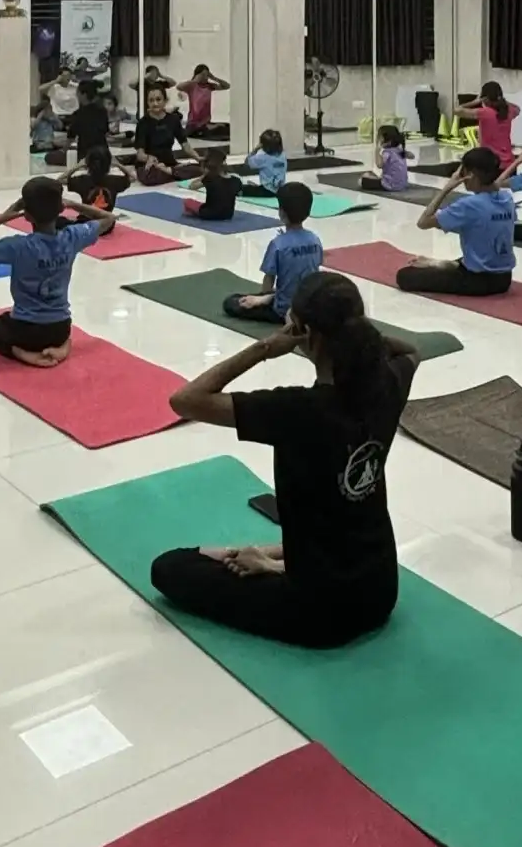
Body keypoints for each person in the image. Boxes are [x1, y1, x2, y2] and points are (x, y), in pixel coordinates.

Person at [157, 271, 417, 647]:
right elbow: (412, 351)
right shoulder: (389, 384)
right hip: (380, 590)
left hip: (319, 613)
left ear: (304, 333)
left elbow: (186, 400)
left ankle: (260, 559)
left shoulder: (296, 410)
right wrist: (358, 331)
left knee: (170, 567)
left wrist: (264, 348)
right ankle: (270, 558)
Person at [0, 177, 118, 367]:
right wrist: (72, 204)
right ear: (60, 209)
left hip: (26, 332)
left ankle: (21, 353)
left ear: (27, 216)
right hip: (60, 328)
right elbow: (109, 218)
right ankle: (63, 346)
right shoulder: (72, 237)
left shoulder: (19, 247)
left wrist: (2, 217)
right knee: (51, 330)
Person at [398, 147, 514, 297]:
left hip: (478, 280)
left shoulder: (469, 205)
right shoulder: (507, 199)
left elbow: (423, 222)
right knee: (476, 253)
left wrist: (448, 187)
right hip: (505, 277)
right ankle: (437, 263)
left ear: (470, 175)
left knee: (404, 276)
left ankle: (438, 265)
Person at [225, 184, 322, 323]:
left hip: (282, 309)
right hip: (307, 305)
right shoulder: (315, 240)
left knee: (231, 302)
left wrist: (262, 299)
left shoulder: (278, 244)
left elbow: (269, 279)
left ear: (281, 213)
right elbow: (312, 271)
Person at [133, 87, 198, 187]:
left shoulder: (173, 119)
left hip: (169, 164)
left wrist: (199, 159)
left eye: (158, 99)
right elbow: (140, 155)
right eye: (151, 100)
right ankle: (172, 173)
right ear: (147, 102)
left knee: (198, 169)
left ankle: (169, 172)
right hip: (151, 167)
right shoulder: (143, 123)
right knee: (150, 177)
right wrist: (149, 158)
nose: (155, 103)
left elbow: (186, 147)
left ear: (165, 101)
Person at [456, 81, 517, 168]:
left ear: (485, 98)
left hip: (491, 164)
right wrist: (502, 101)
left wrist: (476, 101)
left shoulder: (485, 113)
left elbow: (457, 110)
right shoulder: (509, 111)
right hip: (509, 164)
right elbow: (517, 109)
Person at [62, 146, 131, 212]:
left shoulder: (82, 180)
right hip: (108, 222)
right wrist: (118, 165)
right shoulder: (115, 180)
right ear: (109, 163)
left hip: (86, 220)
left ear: (88, 163)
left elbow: (60, 179)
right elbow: (132, 177)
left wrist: (77, 166)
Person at [181, 148, 241, 221]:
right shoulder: (236, 180)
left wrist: (204, 175)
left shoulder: (210, 178)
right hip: (228, 215)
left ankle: (196, 212)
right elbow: (238, 193)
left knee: (188, 202)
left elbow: (192, 186)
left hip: (209, 214)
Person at [181, 64, 232, 137]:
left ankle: (208, 128)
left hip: (206, 123)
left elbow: (227, 86)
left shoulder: (209, 86)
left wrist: (214, 78)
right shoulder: (192, 86)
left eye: (207, 75)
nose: (205, 77)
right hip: (194, 124)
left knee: (228, 127)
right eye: (203, 75)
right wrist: (195, 80)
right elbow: (179, 87)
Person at [66, 80, 112, 160]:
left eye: (78, 92)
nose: (76, 95)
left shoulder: (78, 114)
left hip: (85, 155)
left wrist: (63, 151)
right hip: (103, 153)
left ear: (83, 94)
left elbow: (70, 138)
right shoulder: (102, 111)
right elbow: (105, 131)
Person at [359, 125, 411, 193]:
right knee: (371, 174)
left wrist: (377, 150)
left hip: (390, 185)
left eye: (378, 136)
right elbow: (412, 156)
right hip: (403, 184)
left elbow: (379, 165)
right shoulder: (399, 150)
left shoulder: (387, 152)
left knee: (362, 179)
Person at [243, 129, 289, 198]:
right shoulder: (283, 155)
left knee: (242, 188)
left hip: (267, 191)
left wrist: (255, 149)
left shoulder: (263, 158)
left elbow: (247, 163)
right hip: (280, 190)